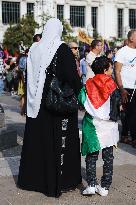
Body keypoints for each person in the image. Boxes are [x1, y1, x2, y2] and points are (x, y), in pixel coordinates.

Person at [17, 18, 82, 197]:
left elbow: (29, 74)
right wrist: (80, 92)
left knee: (37, 142)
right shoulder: (61, 48)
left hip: (36, 103)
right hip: (55, 103)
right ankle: (59, 181)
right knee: (57, 141)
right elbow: (70, 75)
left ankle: (32, 180)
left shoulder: (34, 48)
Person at [78, 56, 119, 196]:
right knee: (108, 157)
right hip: (108, 126)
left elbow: (81, 100)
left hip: (91, 124)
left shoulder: (87, 84)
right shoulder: (112, 84)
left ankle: (91, 185)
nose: (112, 70)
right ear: (105, 70)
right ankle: (105, 187)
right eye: (111, 67)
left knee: (91, 156)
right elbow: (116, 103)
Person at [115, 29, 136, 148]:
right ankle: (133, 138)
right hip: (127, 88)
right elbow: (117, 71)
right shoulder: (122, 52)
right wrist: (121, 89)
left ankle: (126, 135)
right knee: (132, 113)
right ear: (131, 38)